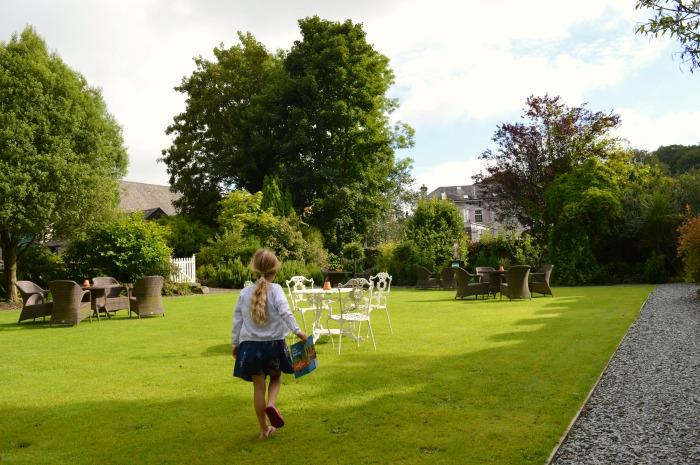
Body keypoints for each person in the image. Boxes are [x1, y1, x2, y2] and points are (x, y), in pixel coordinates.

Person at [232, 249, 307, 439]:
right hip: (273, 346)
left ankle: (263, 429)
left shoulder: (244, 292)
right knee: (275, 378)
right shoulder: (277, 290)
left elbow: (237, 320)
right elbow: (285, 312)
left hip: (250, 346)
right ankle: (271, 403)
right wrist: (298, 331)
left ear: (255, 269)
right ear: (275, 270)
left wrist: (235, 343)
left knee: (258, 388)